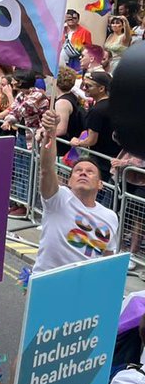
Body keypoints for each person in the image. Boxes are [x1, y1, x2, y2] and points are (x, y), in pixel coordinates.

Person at [34, 108, 119, 273]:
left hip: (84, 283)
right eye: (78, 170)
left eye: (90, 171)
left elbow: (108, 258)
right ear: (69, 181)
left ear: (100, 184)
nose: (83, 173)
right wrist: (51, 133)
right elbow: (46, 169)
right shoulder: (58, 199)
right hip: (48, 280)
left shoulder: (110, 216)